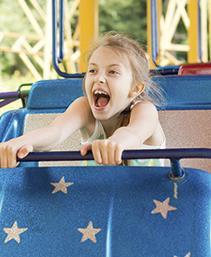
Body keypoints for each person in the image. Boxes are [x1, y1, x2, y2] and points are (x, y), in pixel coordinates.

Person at [0, 32, 166, 168]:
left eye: (113, 72)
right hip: (97, 198)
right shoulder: (84, 107)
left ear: (136, 88)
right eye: (93, 70)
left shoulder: (145, 110)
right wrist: (19, 143)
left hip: (150, 201)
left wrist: (115, 143)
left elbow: (133, 133)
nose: (99, 78)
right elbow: (55, 132)